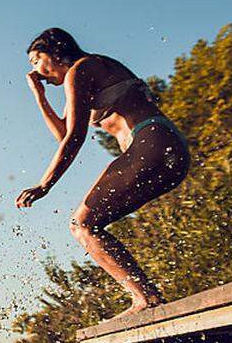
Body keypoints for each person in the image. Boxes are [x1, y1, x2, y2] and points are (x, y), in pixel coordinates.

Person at [18, 28, 191, 318]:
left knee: (82, 224)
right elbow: (63, 133)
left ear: (55, 52)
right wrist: (39, 96)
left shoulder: (81, 69)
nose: (36, 70)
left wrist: (44, 184)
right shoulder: (90, 72)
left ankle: (145, 298)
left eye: (36, 60)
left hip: (149, 140)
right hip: (167, 148)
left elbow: (74, 138)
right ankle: (147, 297)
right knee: (89, 223)